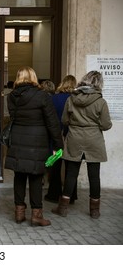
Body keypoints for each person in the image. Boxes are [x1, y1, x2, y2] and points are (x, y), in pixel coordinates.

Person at [5, 67, 63, 226]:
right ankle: (36, 215)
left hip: (18, 139)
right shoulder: (42, 96)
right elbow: (52, 122)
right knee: (36, 177)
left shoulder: (11, 97)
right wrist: (58, 144)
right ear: (33, 77)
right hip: (37, 141)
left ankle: (19, 213)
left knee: (19, 176)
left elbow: (14, 118)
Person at [52, 71, 112, 219]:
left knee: (71, 173)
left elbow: (64, 120)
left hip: (74, 138)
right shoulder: (101, 102)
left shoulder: (72, 99)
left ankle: (63, 208)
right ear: (99, 83)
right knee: (94, 175)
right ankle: (94, 211)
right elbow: (106, 125)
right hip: (94, 140)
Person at [44, 75, 78, 204]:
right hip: (71, 136)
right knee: (71, 167)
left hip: (56, 136)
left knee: (55, 166)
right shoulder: (76, 99)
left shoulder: (54, 99)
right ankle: (71, 195)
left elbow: (49, 117)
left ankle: (53, 194)